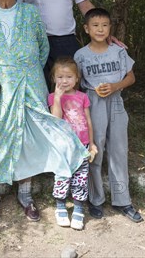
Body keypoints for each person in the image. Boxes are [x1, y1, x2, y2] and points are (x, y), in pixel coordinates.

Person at [0, 0, 89, 223]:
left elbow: (43, 49)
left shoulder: (31, 14)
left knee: (27, 138)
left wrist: (26, 71)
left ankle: (25, 194)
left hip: (29, 86)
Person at [73, 8, 143, 223]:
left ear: (110, 28)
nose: (100, 29)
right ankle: (95, 199)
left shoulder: (118, 52)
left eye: (104, 25)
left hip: (116, 102)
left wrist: (115, 86)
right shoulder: (81, 55)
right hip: (92, 103)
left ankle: (123, 200)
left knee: (119, 149)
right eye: (95, 25)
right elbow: (74, 83)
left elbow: (131, 77)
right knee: (95, 149)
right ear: (86, 29)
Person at [48, 57, 98, 230]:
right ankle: (60, 207)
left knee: (81, 178)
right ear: (54, 78)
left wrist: (92, 144)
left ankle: (78, 209)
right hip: (63, 147)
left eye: (69, 77)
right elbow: (55, 120)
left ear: (77, 78)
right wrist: (57, 99)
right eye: (60, 77)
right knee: (62, 176)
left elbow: (89, 122)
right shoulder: (53, 97)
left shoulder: (82, 97)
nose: (64, 81)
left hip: (82, 145)